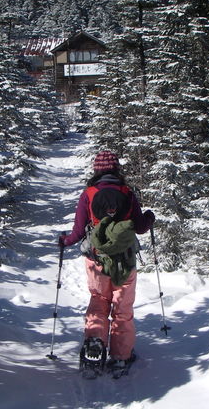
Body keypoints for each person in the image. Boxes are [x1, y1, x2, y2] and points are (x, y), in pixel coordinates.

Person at [59, 150, 155, 371]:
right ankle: (121, 356)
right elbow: (140, 227)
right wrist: (149, 218)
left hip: (97, 259)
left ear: (97, 169)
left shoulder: (89, 194)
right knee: (122, 308)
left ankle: (95, 344)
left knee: (99, 300)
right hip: (126, 260)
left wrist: (64, 241)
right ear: (116, 168)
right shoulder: (127, 193)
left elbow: (77, 231)